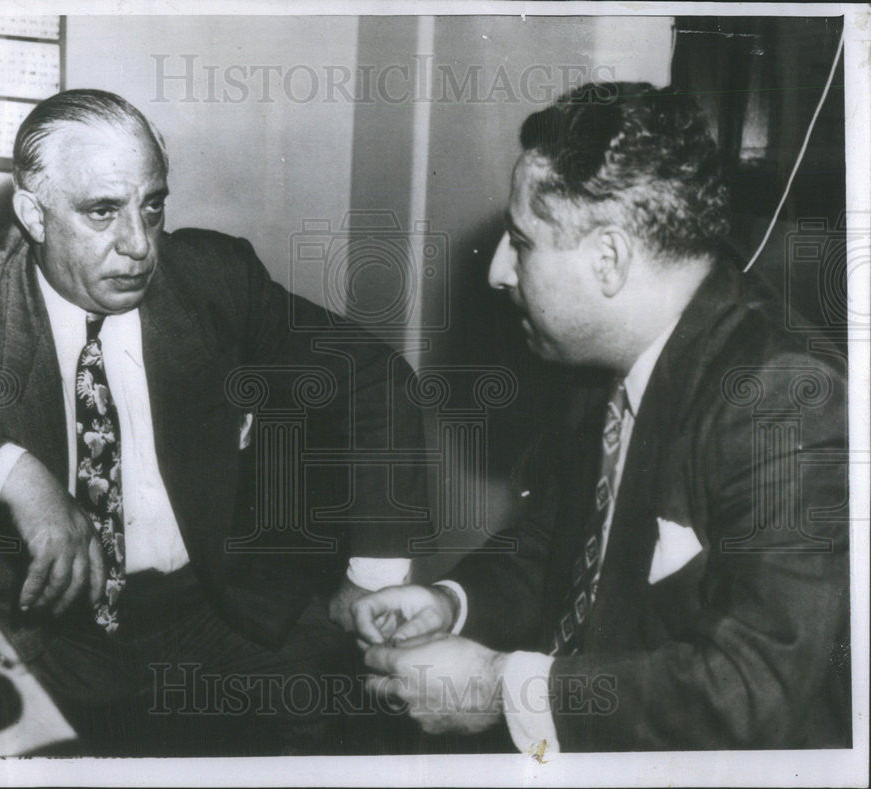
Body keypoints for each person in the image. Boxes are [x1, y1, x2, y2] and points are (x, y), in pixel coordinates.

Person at [0, 89, 427, 755]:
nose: (140, 245)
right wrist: (13, 474)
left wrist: (374, 573)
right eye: (102, 212)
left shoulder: (213, 277)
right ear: (33, 212)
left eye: (153, 205)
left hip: (212, 606)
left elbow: (370, 375)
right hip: (41, 632)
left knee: (347, 718)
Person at [352, 82, 851, 752]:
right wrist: (451, 601)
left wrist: (501, 688)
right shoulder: (606, 360)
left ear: (609, 258)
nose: (499, 269)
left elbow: (748, 686)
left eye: (521, 241)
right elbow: (560, 544)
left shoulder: (783, 398)